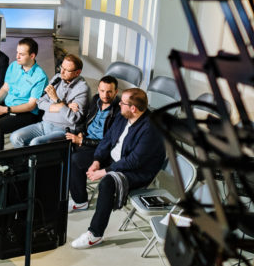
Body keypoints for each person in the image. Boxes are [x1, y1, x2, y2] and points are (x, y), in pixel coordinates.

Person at [70, 88, 167, 249]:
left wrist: (105, 171)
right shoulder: (124, 116)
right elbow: (107, 139)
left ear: (133, 108)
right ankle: (80, 201)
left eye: (123, 103)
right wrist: (97, 160)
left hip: (137, 171)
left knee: (107, 183)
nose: (119, 104)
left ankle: (95, 234)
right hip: (114, 158)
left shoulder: (151, 129)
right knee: (76, 159)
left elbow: (133, 161)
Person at [64, 76, 121, 211]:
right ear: (98, 90)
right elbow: (85, 121)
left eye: (109, 92)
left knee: (75, 160)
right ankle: (65, 191)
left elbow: (110, 142)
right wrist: (80, 133)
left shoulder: (118, 111)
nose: (105, 95)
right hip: (86, 140)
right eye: (102, 91)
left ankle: (81, 202)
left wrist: (82, 141)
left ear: (116, 92)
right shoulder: (96, 99)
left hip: (102, 150)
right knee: (61, 149)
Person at [9, 54, 90, 148]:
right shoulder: (57, 78)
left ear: (77, 72)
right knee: (15, 137)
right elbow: (40, 102)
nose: (62, 72)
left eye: (67, 70)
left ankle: (34, 161)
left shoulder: (82, 89)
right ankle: (27, 161)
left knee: (35, 143)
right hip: (45, 124)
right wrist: (65, 106)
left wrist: (56, 99)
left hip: (63, 130)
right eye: (61, 67)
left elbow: (74, 118)